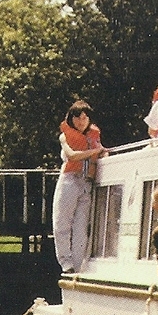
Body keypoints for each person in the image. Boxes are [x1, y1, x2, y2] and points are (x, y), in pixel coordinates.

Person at [52, 100, 108, 273]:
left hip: (86, 183)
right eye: (77, 118)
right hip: (69, 180)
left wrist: (103, 153)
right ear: (71, 119)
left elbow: (102, 152)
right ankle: (65, 263)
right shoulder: (65, 136)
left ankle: (77, 266)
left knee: (81, 228)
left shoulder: (94, 136)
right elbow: (72, 156)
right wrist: (95, 152)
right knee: (62, 223)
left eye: (85, 117)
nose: (81, 121)